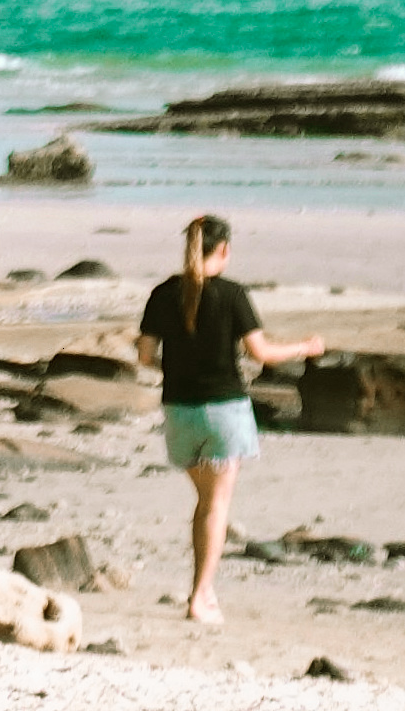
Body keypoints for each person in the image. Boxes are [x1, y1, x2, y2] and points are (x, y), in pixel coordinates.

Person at [137, 215, 325, 624]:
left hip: (179, 411)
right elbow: (261, 353)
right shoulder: (233, 294)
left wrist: (180, 369)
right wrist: (305, 347)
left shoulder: (162, 294)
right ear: (223, 249)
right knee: (215, 505)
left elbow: (145, 356)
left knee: (205, 502)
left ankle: (201, 592)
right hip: (224, 411)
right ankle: (201, 595)